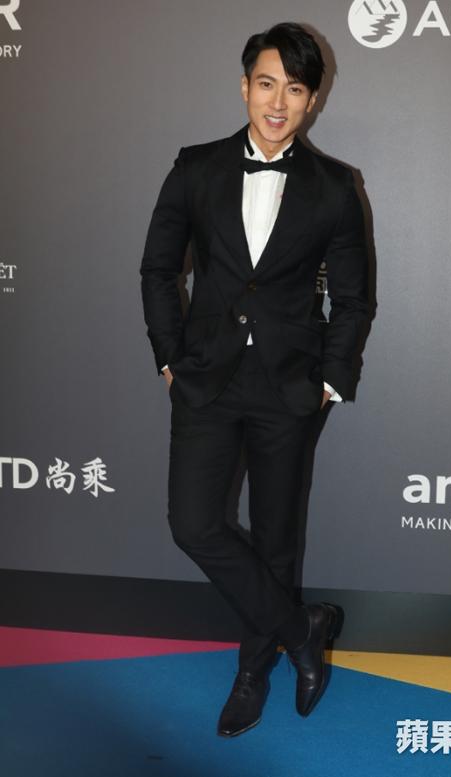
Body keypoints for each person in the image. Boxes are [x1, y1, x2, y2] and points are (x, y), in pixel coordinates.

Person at [140, 21, 369, 737]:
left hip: (289, 388)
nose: (278, 102)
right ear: (244, 87)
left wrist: (329, 381)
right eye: (266, 84)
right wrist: (169, 357)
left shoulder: (335, 187)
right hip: (206, 378)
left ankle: (251, 671)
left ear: (311, 101)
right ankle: (303, 630)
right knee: (193, 524)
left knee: (275, 540)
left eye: (294, 89)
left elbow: (354, 299)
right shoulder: (196, 168)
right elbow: (158, 269)